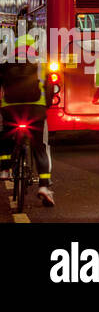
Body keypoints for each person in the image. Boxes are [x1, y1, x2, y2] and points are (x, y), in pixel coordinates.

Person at [0, 31, 54, 207]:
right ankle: (44, 187)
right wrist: (46, 106)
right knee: (39, 149)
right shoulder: (41, 65)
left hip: (11, 110)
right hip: (35, 111)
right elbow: (49, 88)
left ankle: (5, 169)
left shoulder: (5, 65)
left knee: (7, 137)